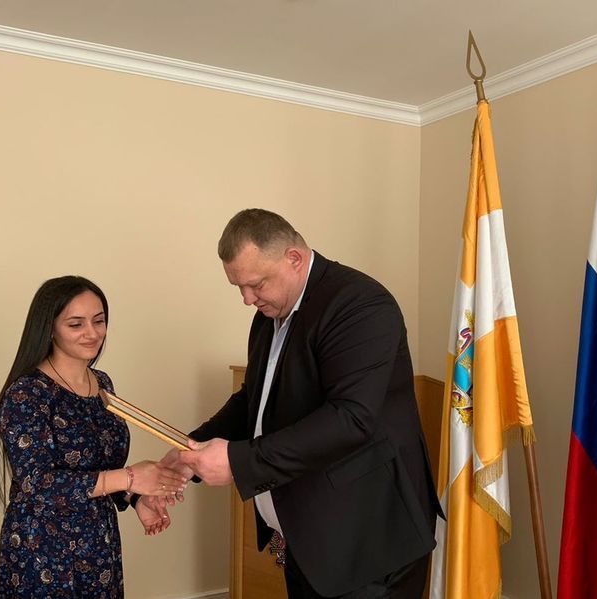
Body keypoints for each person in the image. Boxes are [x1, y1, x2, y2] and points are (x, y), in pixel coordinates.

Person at [173, 209, 443, 598]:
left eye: (255, 284)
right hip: (308, 541)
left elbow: (350, 419)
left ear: (294, 259)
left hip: (368, 545)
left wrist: (237, 461)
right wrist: (192, 447)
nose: (247, 299)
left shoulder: (361, 305)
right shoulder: (270, 312)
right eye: (239, 287)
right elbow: (255, 399)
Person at [0, 276, 188, 598]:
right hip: (42, 551)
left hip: (99, 546)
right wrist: (131, 477)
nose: (92, 333)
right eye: (76, 324)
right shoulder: (27, 394)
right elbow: (36, 483)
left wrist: (135, 497)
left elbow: (99, 466)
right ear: (50, 328)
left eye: (99, 321)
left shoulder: (102, 383)